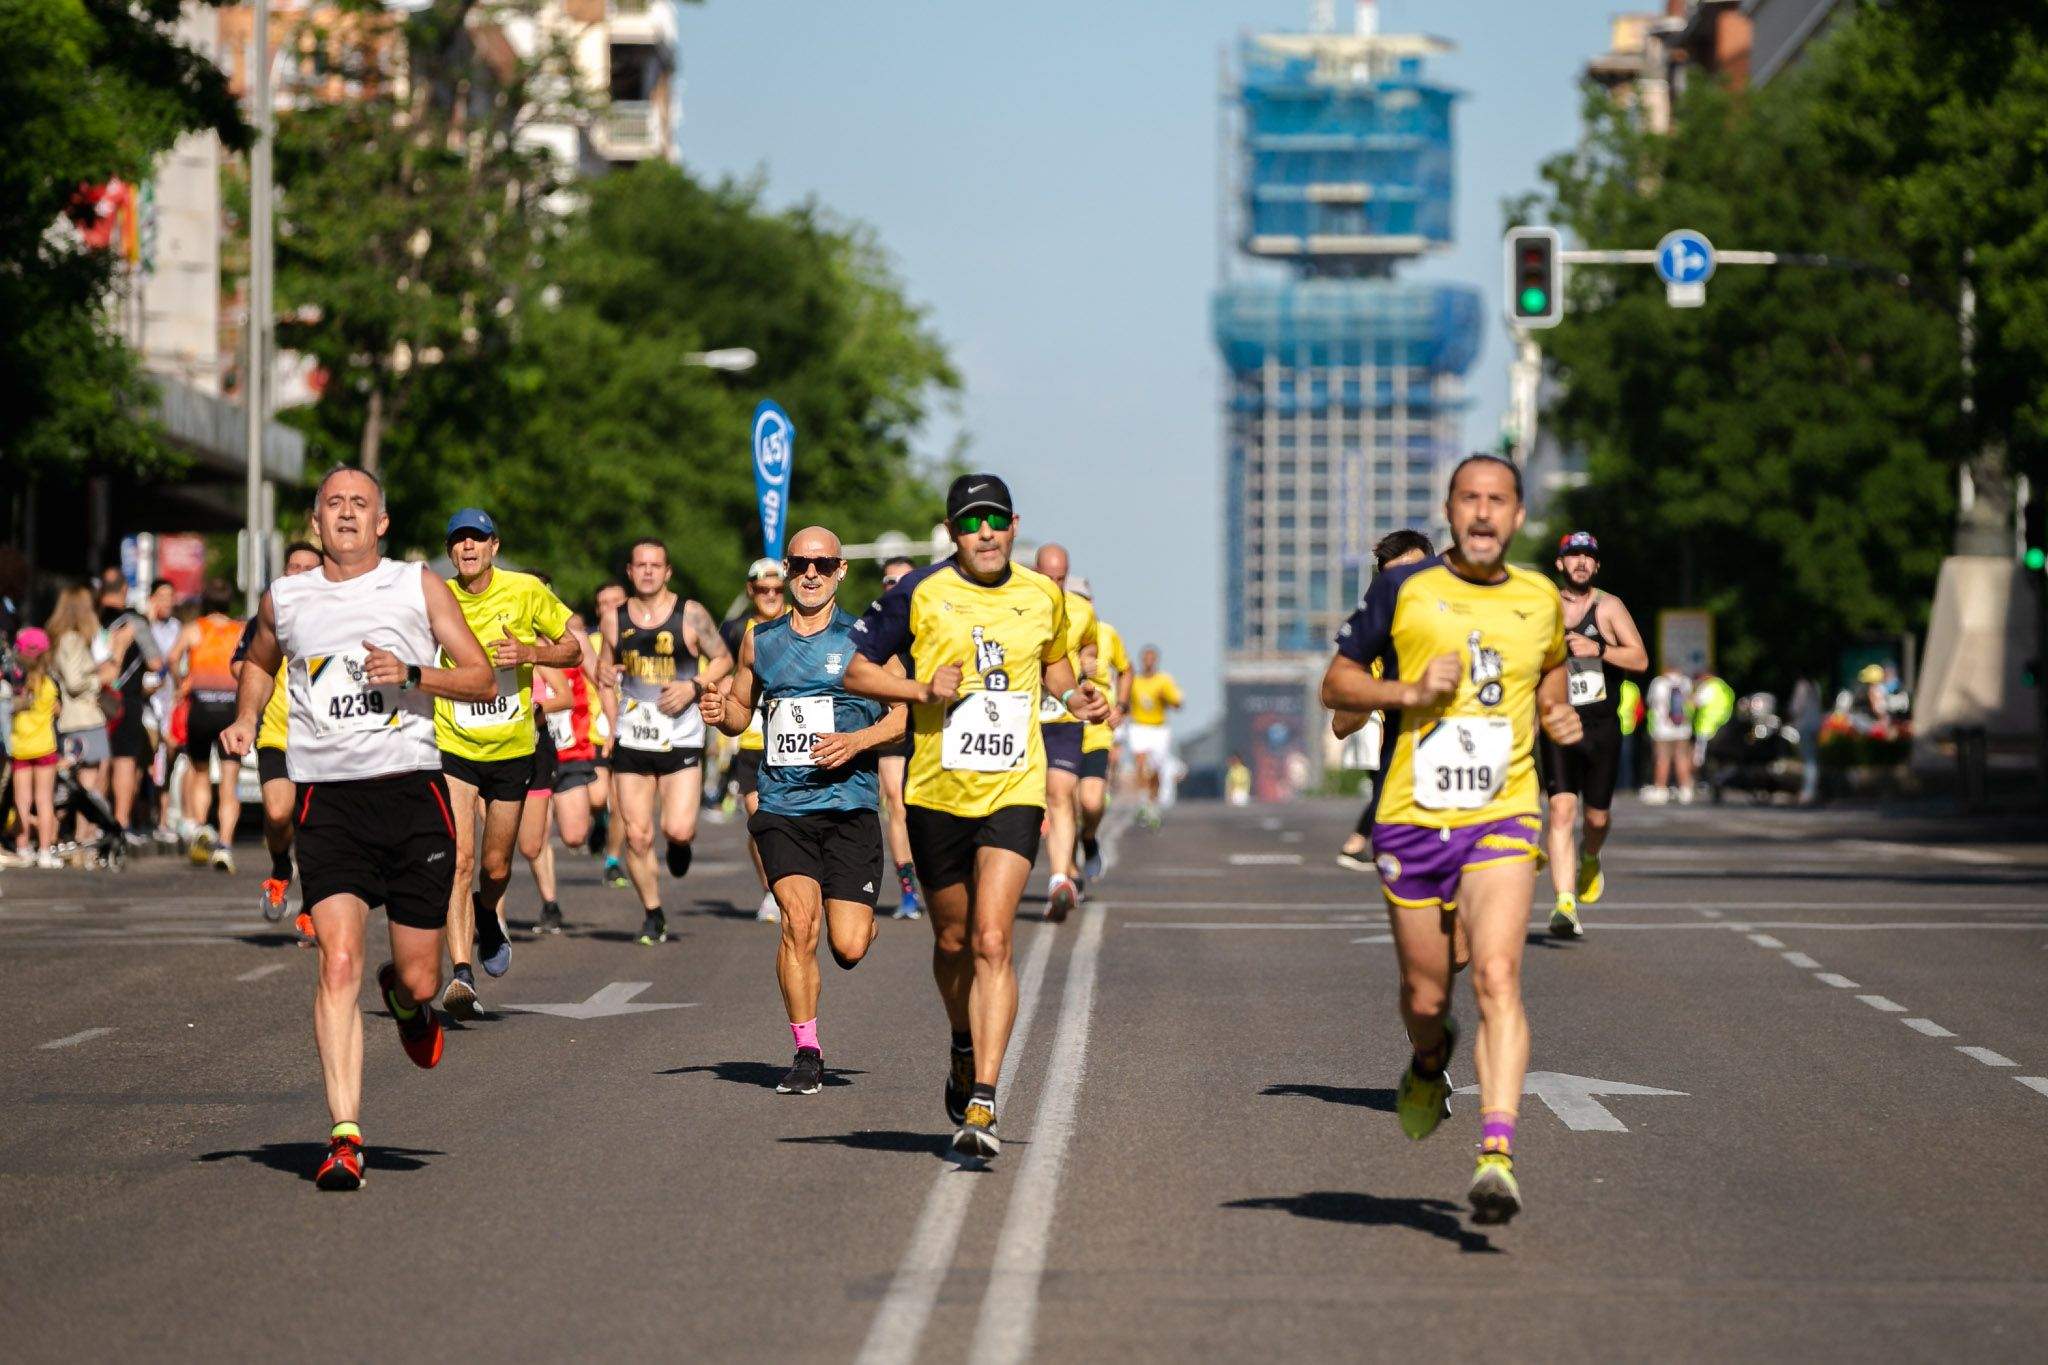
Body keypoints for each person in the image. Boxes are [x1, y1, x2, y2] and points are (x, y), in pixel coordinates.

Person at [1319, 453, 1578, 1225]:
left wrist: (1558, 717)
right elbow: (1337, 685)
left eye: (1499, 500)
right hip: (1413, 814)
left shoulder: (1540, 598)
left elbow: (1552, 684)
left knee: (1497, 973)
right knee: (1428, 991)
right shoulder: (1404, 590)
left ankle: (1496, 1154)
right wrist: (1405, 690)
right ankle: (1429, 1057)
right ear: (1451, 510)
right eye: (1470, 498)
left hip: (1503, 812)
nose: (1484, 512)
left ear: (1518, 515)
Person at [220, 466, 495, 1192]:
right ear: (315, 523)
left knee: (420, 973)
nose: (345, 514)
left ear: (382, 521)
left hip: (410, 796)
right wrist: (248, 715)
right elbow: (257, 658)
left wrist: (411, 672)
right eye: (332, 504)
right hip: (329, 803)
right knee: (334, 961)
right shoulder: (289, 596)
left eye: (359, 504)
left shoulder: (415, 585)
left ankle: (404, 998)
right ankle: (344, 1134)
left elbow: (482, 676)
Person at [845, 473, 1111, 1161]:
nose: (985, 531)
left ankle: (985, 1096)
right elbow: (856, 671)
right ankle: (962, 1042)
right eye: (971, 522)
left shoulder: (1041, 594)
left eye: (995, 519)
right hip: (937, 793)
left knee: (994, 939)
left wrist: (1076, 695)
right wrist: (918, 688)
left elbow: (1052, 667)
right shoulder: (920, 592)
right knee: (955, 940)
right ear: (953, 532)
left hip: (1013, 789)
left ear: (1014, 524)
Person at [701, 527, 905, 1094]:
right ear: (788, 571)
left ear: (841, 571)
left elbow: (902, 714)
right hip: (783, 805)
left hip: (849, 808)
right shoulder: (759, 640)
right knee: (797, 923)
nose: (810, 573)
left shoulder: (865, 641)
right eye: (799, 564)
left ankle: (859, 922)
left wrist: (857, 743)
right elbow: (742, 711)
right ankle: (806, 1050)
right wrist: (721, 711)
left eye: (823, 564)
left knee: (848, 945)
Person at [433, 509, 581, 1019]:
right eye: (459, 541)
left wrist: (527, 650)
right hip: (453, 744)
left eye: (477, 539)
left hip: (514, 749)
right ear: (451, 551)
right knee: (460, 861)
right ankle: (460, 972)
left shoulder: (524, 590)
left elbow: (573, 650)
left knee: (496, 866)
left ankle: (487, 913)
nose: (468, 548)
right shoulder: (438, 596)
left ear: (494, 546)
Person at [599, 538, 732, 946]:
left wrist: (693, 686)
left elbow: (724, 658)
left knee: (677, 827)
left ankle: (679, 845)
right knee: (637, 835)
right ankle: (653, 912)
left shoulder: (690, 614)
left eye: (656, 565)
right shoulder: (613, 617)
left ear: (667, 571)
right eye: (641, 565)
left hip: (681, 735)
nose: (648, 572)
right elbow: (605, 670)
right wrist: (609, 713)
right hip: (633, 736)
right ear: (630, 571)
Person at [1537, 532, 1648, 939]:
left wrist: (1597, 649)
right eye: (1573, 556)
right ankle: (1565, 903)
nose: (1581, 563)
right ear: (1560, 563)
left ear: (1596, 567)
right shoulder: (1543, 606)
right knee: (1561, 812)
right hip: (1559, 725)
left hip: (1602, 728)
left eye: (1588, 557)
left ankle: (1591, 855)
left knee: (1596, 818)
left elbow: (1639, 658)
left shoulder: (1608, 607)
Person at [236, 542, 327, 930]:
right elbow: (242, 663)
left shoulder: (334, 616)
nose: (302, 572)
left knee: (314, 828)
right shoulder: (267, 618)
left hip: (322, 742)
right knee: (276, 813)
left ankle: (311, 905)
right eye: (295, 566)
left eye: (311, 567)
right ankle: (278, 865)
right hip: (276, 735)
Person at [1334, 530, 1435, 871]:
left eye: (1415, 572)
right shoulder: (1375, 623)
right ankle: (1361, 843)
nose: (1406, 583)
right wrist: (1390, 695)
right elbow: (1338, 709)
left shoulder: (1475, 608)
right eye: (1395, 576)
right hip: (1394, 739)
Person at [1029, 543, 1100, 921]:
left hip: (1063, 717)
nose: (1054, 586)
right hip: (1020, 717)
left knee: (1061, 792)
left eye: (1061, 579)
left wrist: (1085, 671)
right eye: (1048, 578)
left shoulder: (1081, 610)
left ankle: (1059, 879)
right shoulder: (1015, 602)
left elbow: (1089, 647)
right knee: (1023, 808)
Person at [720, 558, 787, 923]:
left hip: (793, 742)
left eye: (778, 589)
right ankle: (772, 891)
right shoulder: (735, 631)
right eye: (763, 590)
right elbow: (717, 662)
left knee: (791, 822)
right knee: (761, 821)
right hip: (753, 742)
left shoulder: (800, 622)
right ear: (751, 591)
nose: (771, 595)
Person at [165, 581, 247, 869]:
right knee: (229, 781)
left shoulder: (194, 629)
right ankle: (224, 844)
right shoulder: (241, 630)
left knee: (199, 772)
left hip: (200, 708)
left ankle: (201, 826)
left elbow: (172, 658)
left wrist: (181, 682)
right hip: (230, 710)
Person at [1066, 576, 1129, 883]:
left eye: (1082, 599)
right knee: (1063, 802)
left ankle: (1088, 840)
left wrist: (1122, 707)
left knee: (1091, 802)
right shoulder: (1052, 632)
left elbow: (1126, 670)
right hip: (1059, 725)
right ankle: (1066, 872)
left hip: (1096, 728)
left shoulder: (1106, 635)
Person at [874, 555, 924, 918]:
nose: (897, 588)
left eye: (904, 581)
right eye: (890, 582)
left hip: (931, 725)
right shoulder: (874, 623)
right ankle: (908, 891)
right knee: (896, 800)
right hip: (892, 723)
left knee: (927, 807)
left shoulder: (936, 618)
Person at [46, 585, 115, 844]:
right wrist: (99, 679)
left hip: (74, 717)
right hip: (83, 717)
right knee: (88, 782)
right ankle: (83, 835)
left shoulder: (61, 638)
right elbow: (75, 681)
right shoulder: (72, 640)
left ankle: (78, 834)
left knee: (78, 781)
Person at [100, 582, 166, 843]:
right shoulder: (136, 623)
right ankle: (121, 822)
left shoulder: (95, 619)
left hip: (95, 698)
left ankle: (96, 823)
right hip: (126, 699)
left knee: (99, 762)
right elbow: (155, 663)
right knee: (125, 761)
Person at [8, 628, 61, 865]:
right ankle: (45, 850)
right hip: (45, 747)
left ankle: (22, 846)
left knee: (22, 800)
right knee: (44, 800)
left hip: (20, 746)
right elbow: (57, 710)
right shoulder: (49, 682)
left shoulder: (14, 683)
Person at [587, 580, 627, 886]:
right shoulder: (590, 644)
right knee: (598, 797)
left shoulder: (638, 639)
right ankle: (598, 820)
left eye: (617, 601)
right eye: (604, 603)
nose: (611, 607)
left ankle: (612, 859)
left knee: (622, 802)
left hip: (632, 733)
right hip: (596, 733)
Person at [1125, 646, 1182, 828]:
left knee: (1156, 770)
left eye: (1152, 658)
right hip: (1139, 727)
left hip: (1159, 729)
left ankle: (1153, 805)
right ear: (1142, 660)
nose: (1148, 661)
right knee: (1140, 763)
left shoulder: (1164, 681)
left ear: (1156, 660)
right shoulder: (1134, 680)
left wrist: (1166, 698)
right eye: (1146, 658)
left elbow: (1178, 704)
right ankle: (1143, 801)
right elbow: (1125, 701)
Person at [1643, 665, 1695, 804]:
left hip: (1662, 730)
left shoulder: (1658, 682)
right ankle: (1685, 789)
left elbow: (1651, 702)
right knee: (1682, 758)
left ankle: (1661, 789)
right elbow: (1690, 703)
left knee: (1662, 759)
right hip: (1682, 729)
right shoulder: (1686, 682)